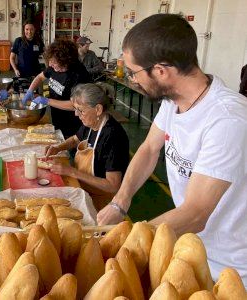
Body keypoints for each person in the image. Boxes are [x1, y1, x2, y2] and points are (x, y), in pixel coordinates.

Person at [96, 14, 247, 286]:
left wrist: (130, 239)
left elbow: (197, 213)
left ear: (161, 70)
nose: (132, 79)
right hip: (190, 247)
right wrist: (122, 200)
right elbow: (149, 149)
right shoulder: (173, 100)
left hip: (229, 268)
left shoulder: (227, 121)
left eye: (134, 72)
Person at [45, 83, 129, 210]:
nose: (76, 114)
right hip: (83, 188)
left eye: (81, 110)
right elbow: (74, 139)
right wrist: (58, 147)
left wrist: (71, 171)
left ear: (98, 109)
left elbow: (113, 185)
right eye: (76, 109)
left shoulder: (113, 137)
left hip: (103, 201)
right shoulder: (92, 122)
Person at [23, 39, 91, 138]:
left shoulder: (79, 75)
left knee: (69, 149)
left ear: (65, 61)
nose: (50, 65)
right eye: (50, 61)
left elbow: (76, 105)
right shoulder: (54, 66)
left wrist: (47, 101)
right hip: (57, 118)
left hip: (73, 125)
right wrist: (30, 91)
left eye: (54, 63)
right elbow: (40, 77)